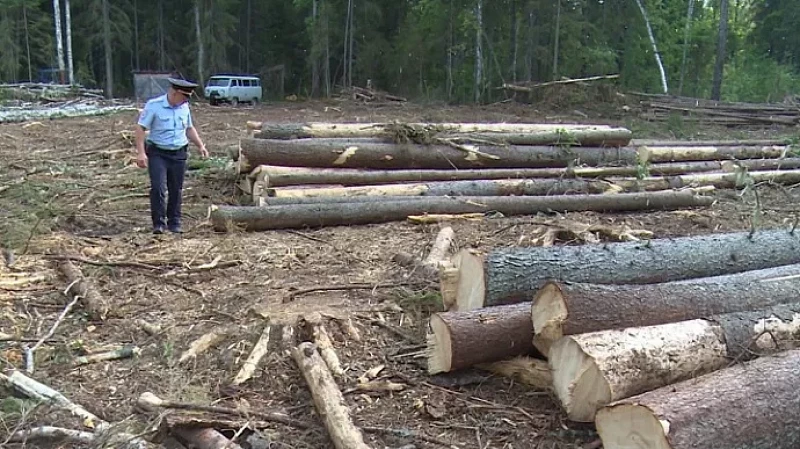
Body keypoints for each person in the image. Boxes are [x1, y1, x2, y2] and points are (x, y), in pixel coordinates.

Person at [135, 78, 209, 234]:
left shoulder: (184, 107)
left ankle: (174, 222)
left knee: (176, 189)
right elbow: (141, 128)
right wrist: (141, 153)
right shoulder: (154, 105)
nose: (185, 100)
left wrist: (200, 145)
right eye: (184, 97)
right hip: (158, 153)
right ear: (174, 93)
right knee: (158, 188)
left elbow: (189, 128)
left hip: (179, 153)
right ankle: (158, 223)